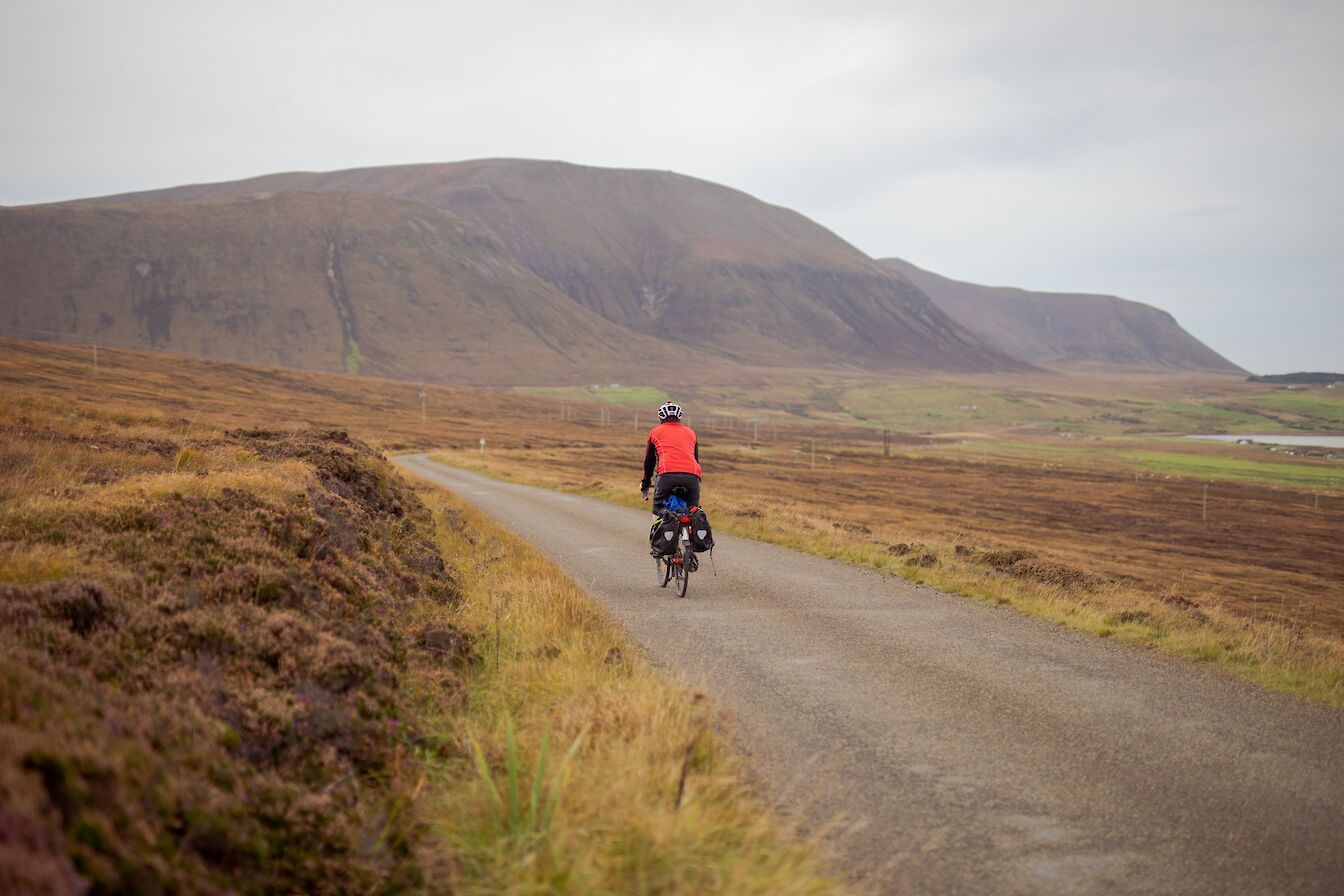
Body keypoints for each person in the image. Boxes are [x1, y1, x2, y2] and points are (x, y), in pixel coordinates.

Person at [640, 402, 701, 513]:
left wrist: (646, 482)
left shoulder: (655, 432)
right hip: (692, 476)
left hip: (666, 474)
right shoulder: (691, 433)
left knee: (658, 510)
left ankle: (658, 525)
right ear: (679, 417)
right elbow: (695, 459)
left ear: (660, 417)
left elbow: (650, 461)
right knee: (693, 511)